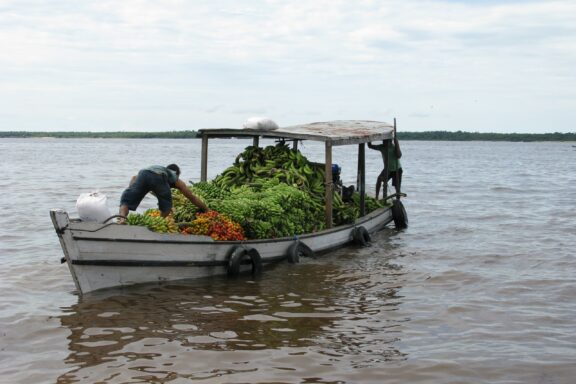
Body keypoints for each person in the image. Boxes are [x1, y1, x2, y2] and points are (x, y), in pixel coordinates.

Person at [118, 164, 208, 223]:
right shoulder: (174, 177)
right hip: (157, 177)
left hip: (143, 173)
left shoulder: (158, 169)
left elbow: (134, 178)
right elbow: (192, 197)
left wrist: (131, 191)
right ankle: (156, 223)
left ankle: (122, 219)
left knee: (126, 201)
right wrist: (206, 208)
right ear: (176, 174)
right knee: (166, 208)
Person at [368, 126, 402, 200]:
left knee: (397, 187)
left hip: (397, 169)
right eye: (383, 141)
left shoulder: (393, 147)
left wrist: (397, 143)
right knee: (379, 179)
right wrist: (369, 137)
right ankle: (376, 197)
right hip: (388, 169)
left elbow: (399, 155)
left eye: (386, 141)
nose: (384, 142)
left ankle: (398, 200)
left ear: (390, 141)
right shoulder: (382, 147)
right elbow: (370, 146)